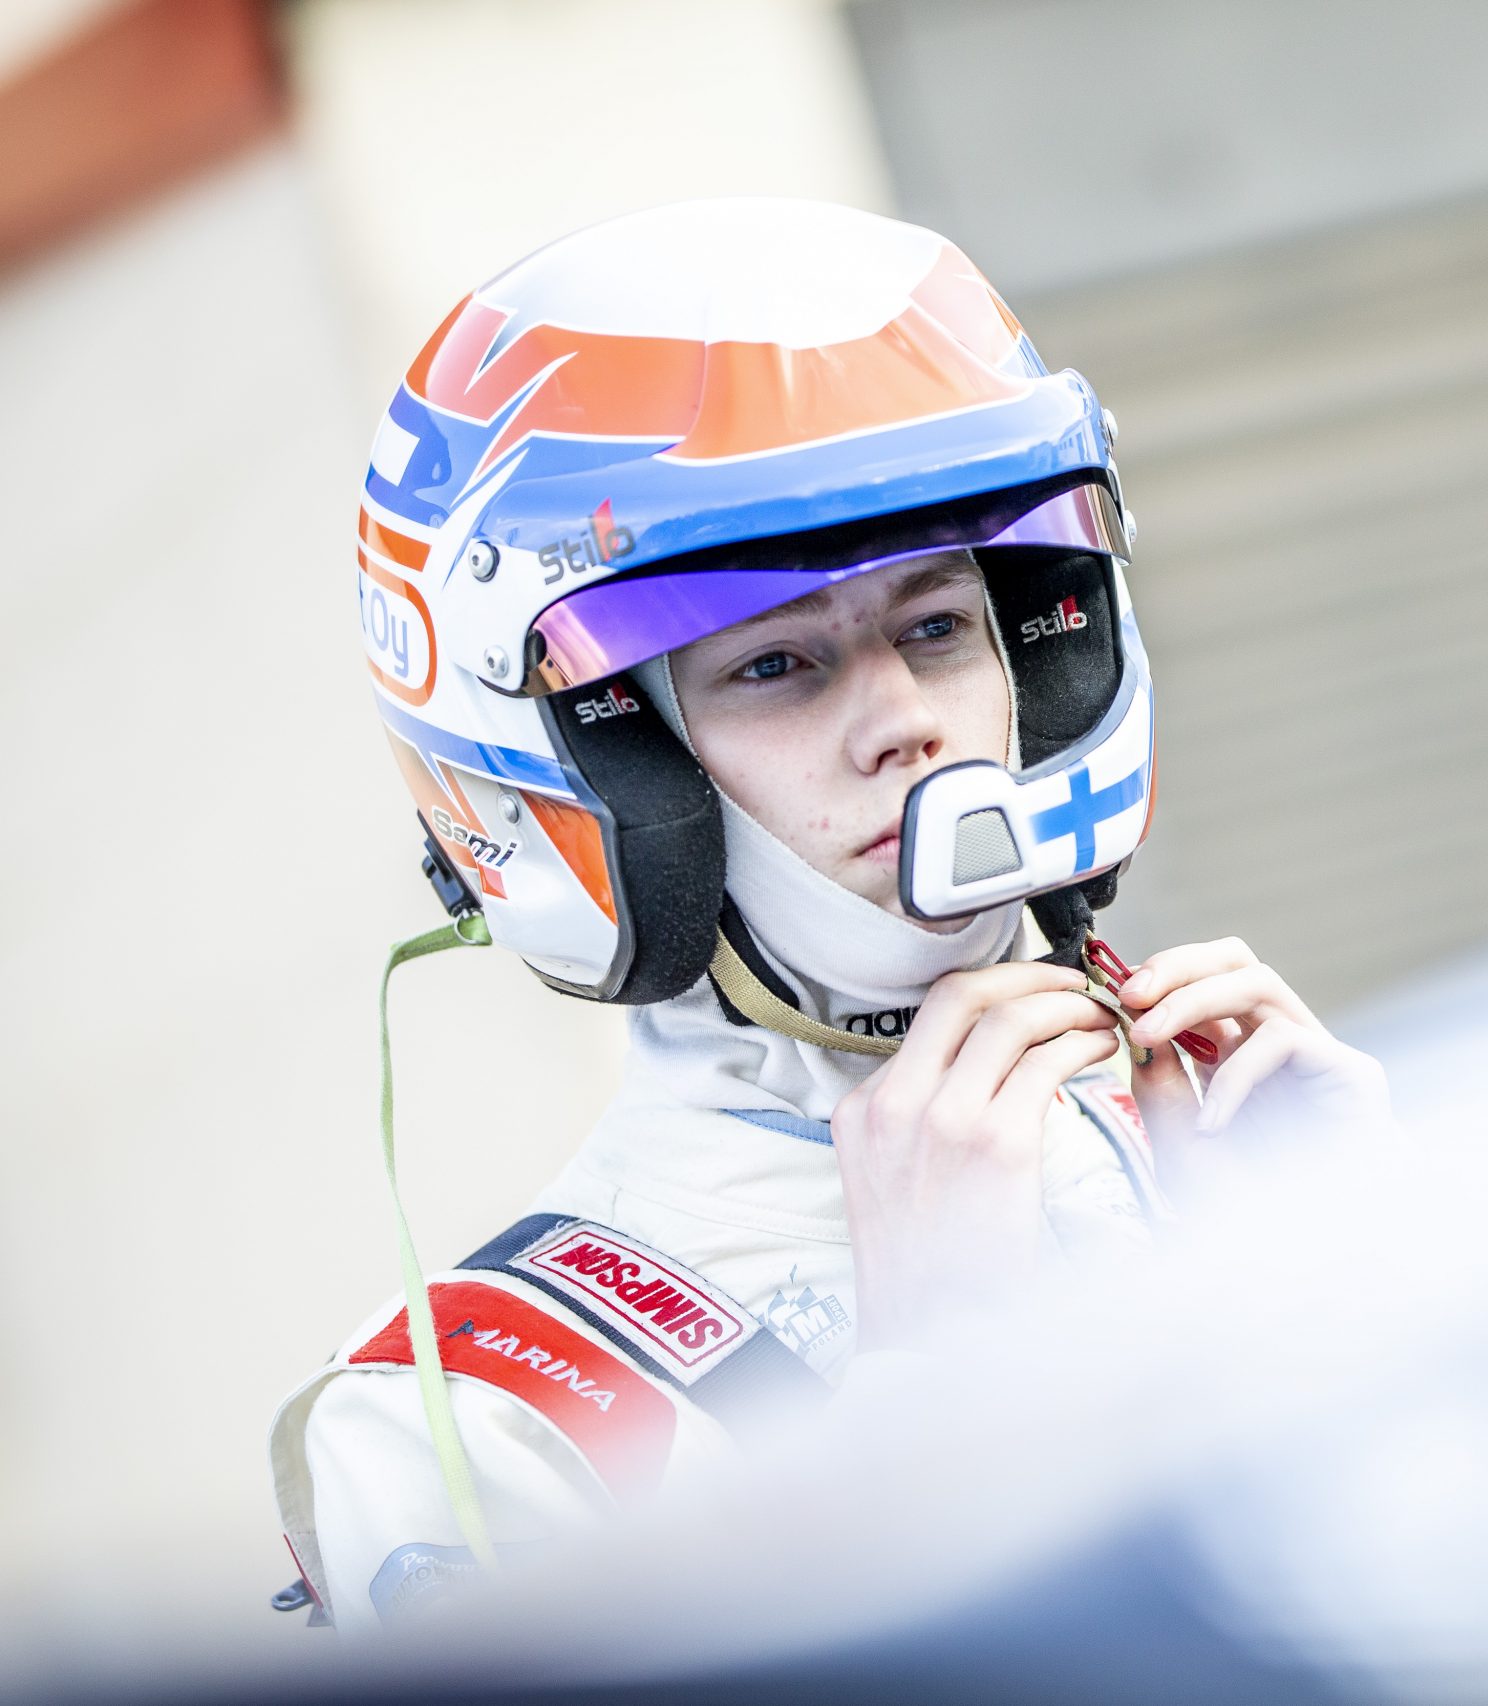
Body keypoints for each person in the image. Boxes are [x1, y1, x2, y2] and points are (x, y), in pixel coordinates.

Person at [277, 199, 1390, 1632]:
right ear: (609, 763)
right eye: (777, 665)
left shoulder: (1219, 1134)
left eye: (936, 627)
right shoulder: (476, 1423)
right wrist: (936, 1389)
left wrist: (1382, 1265)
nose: (905, 720)